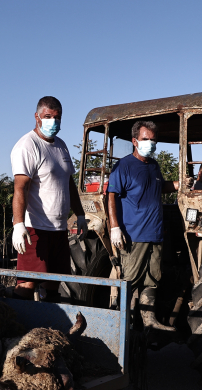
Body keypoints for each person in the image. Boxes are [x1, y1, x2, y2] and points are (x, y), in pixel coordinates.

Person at [10, 96, 87, 301]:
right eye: (48, 116)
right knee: (28, 282)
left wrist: (80, 214)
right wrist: (19, 225)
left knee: (54, 282)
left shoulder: (61, 145)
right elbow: (20, 187)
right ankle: (17, 326)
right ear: (37, 117)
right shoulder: (28, 145)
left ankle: (49, 327)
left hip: (58, 228)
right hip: (35, 228)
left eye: (57, 117)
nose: (53, 121)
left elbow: (68, 183)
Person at [106, 120, 178, 334]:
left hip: (155, 234)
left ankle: (149, 320)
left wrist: (177, 184)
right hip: (133, 235)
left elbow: (158, 186)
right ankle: (121, 325)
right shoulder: (124, 166)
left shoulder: (154, 166)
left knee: (152, 279)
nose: (151, 143)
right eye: (146, 139)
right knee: (129, 280)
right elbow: (111, 195)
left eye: (154, 140)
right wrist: (115, 227)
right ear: (135, 141)